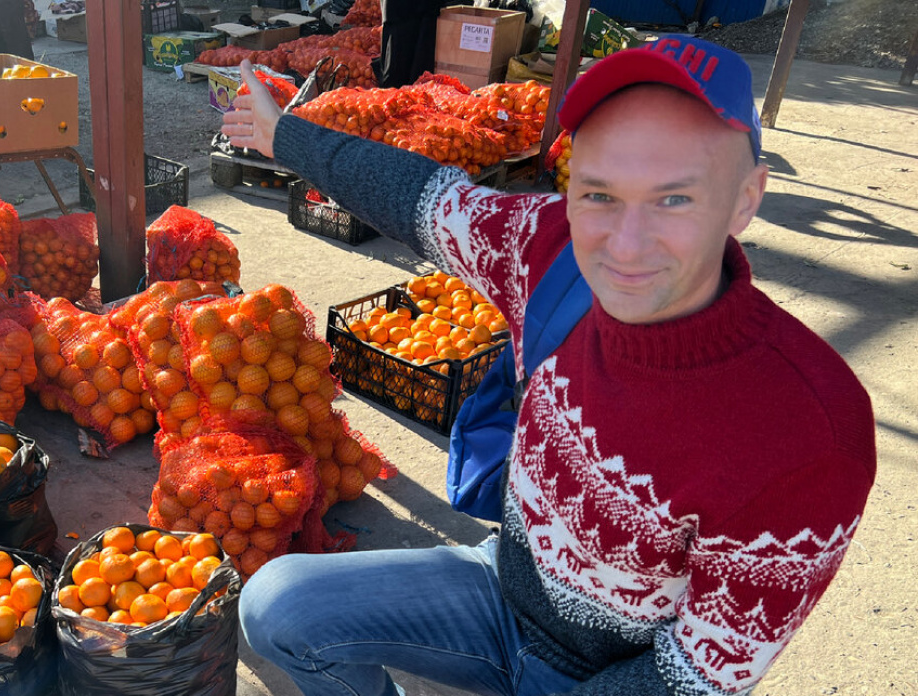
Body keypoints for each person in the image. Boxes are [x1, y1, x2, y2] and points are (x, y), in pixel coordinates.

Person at [222, 35, 876, 696]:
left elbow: (693, 675)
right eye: (599, 194)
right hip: (501, 591)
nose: (624, 243)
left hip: (605, 673)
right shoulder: (547, 248)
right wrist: (286, 138)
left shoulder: (809, 428)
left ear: (745, 198)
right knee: (278, 601)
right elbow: (426, 199)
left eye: (674, 199)